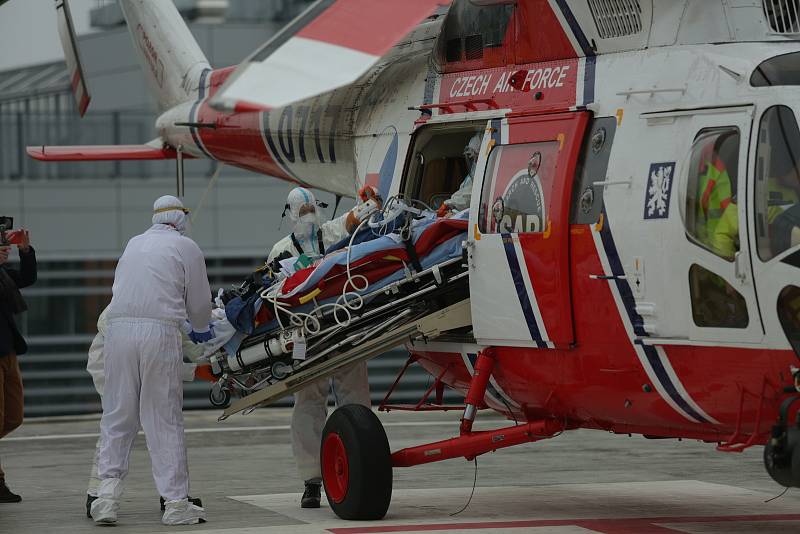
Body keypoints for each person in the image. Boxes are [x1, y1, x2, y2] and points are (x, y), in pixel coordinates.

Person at [91, 195, 213, 526]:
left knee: (118, 415)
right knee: (163, 418)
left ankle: (105, 498)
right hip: (158, 333)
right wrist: (201, 329)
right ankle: (175, 504)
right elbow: (200, 304)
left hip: (117, 332)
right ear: (180, 218)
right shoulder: (186, 246)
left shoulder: (134, 243)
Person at [267, 186, 374, 508]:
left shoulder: (332, 232)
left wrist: (369, 200)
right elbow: (273, 294)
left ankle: (360, 465)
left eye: (312, 208)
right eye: (302, 211)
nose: (308, 216)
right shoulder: (281, 251)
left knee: (355, 397)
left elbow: (360, 216)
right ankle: (312, 480)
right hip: (305, 336)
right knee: (308, 404)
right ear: (289, 214)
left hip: (343, 328)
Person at [84, 305, 210, 518]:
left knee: (121, 426)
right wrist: (197, 370)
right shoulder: (147, 302)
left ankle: (169, 495)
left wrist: (208, 362)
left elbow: (183, 342)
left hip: (121, 352)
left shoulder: (152, 297)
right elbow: (160, 359)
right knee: (127, 424)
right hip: (111, 359)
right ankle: (97, 494)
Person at [0, 228, 35, 503]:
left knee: (13, 417)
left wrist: (25, 250)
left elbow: (27, 277)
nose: (4, 247)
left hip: (8, 352)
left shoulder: (3, 273)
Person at [437, 133, 482, 217]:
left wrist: (449, 203)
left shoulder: (486, 170)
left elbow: (472, 193)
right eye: (473, 156)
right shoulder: (475, 169)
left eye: (476, 155)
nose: (474, 159)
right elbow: (466, 191)